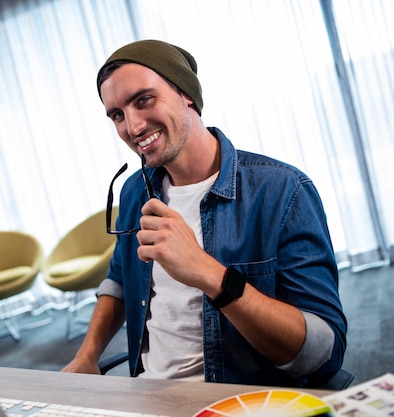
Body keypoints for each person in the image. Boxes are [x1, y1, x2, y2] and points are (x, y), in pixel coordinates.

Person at [61, 39, 347, 388]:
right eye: (118, 115)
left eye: (143, 100)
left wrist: (206, 272)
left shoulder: (282, 191)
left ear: (187, 95)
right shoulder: (134, 190)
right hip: (147, 397)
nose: (133, 127)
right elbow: (119, 280)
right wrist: (87, 355)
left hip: (237, 403)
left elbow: (323, 354)